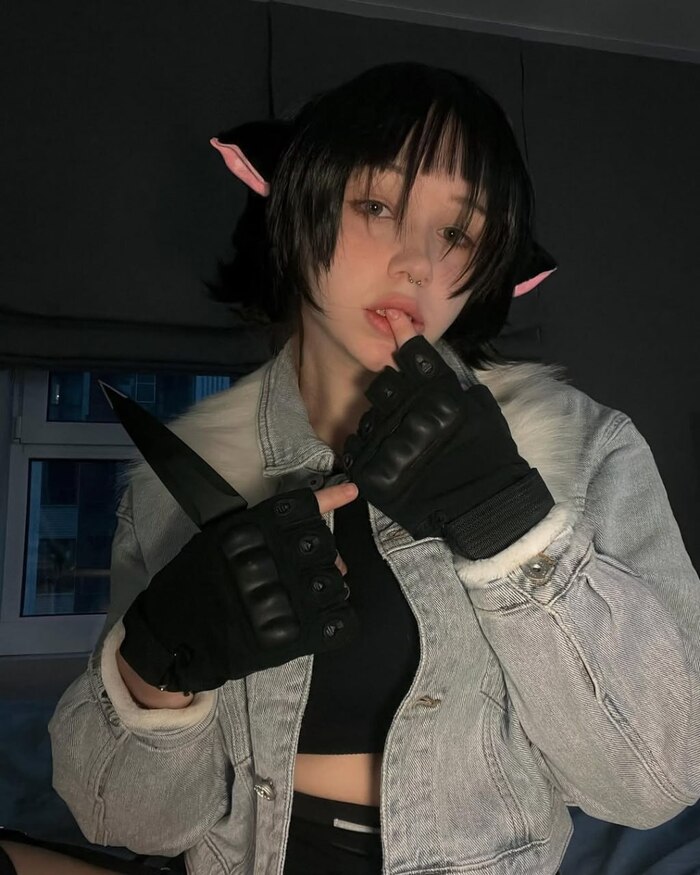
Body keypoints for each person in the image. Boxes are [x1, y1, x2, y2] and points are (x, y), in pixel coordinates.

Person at [3, 61, 699, 875]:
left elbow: (658, 780)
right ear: (300, 209)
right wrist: (156, 666)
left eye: (459, 234)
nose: (418, 262)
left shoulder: (585, 450)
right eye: (377, 206)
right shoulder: (182, 480)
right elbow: (127, 819)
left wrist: (509, 524)